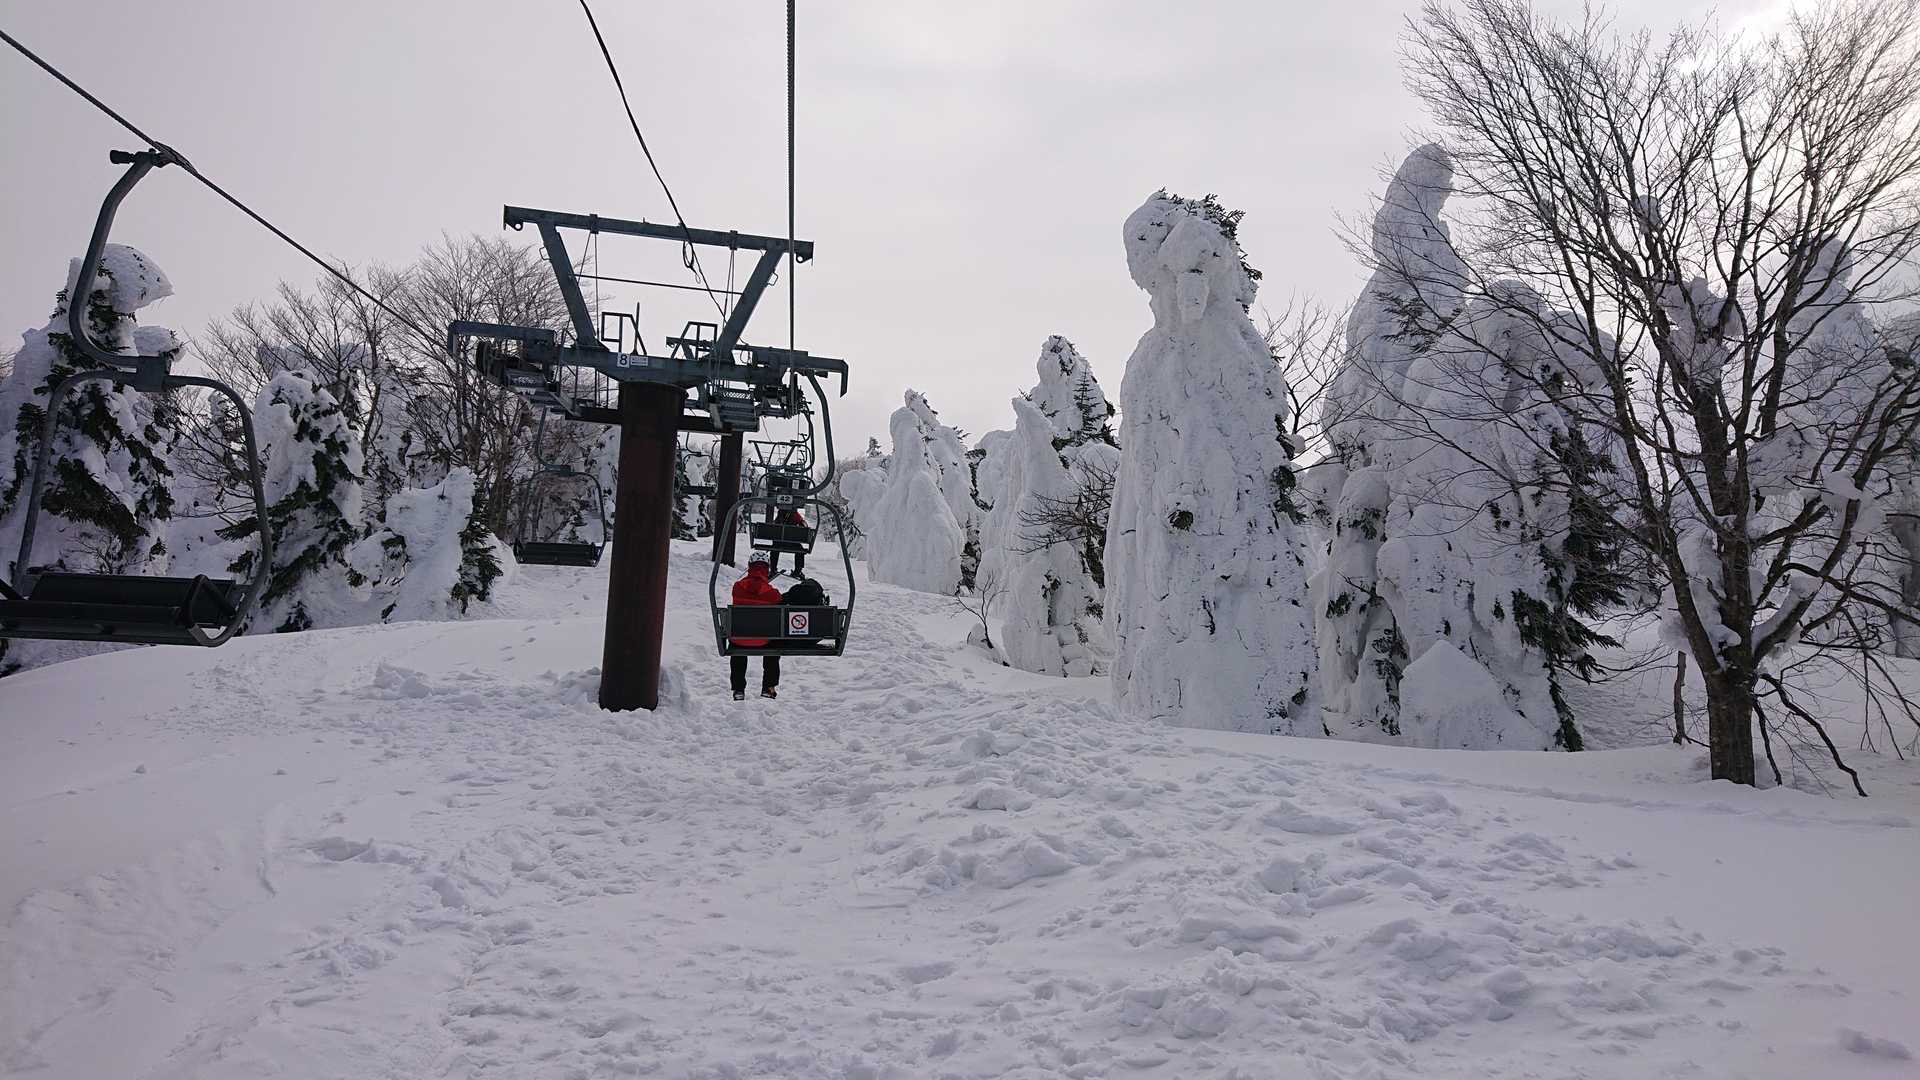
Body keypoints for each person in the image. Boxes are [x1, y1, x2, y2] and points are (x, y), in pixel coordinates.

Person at [730, 556, 784, 700]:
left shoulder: (737, 587)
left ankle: (738, 689)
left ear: (749, 566)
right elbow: (779, 600)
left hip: (739, 639)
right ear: (767, 569)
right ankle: (768, 687)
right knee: (775, 643)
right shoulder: (771, 593)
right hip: (763, 640)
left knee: (738, 643)